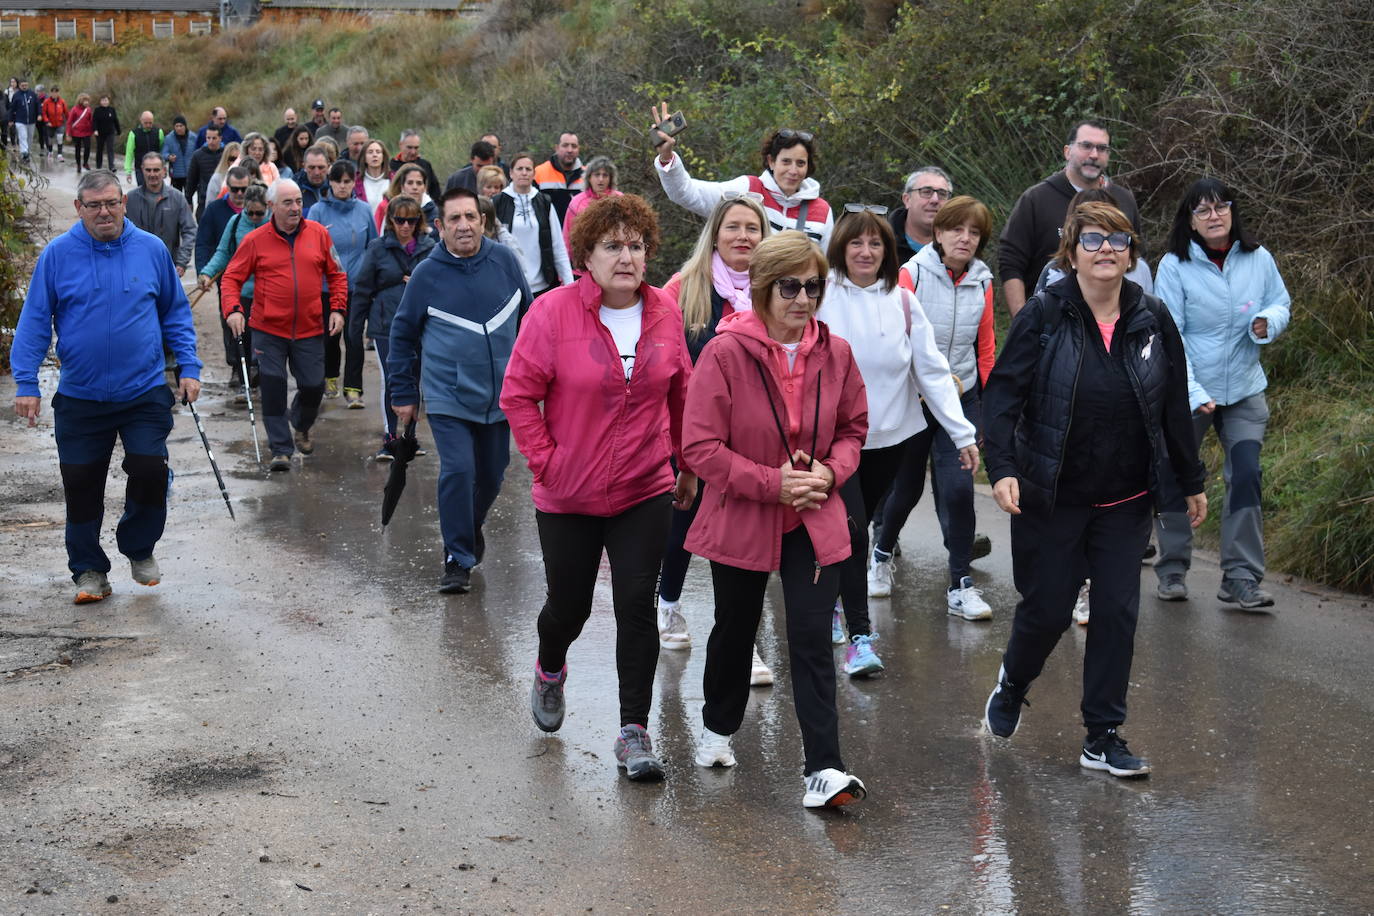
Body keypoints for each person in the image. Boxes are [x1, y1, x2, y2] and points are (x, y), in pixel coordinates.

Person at [981, 201, 1207, 778]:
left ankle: (1102, 735)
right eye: (1092, 240)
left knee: (1116, 612)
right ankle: (1012, 684)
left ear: (1132, 254)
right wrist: (1002, 466)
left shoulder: (1153, 318)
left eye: (1118, 240)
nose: (1106, 250)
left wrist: (1190, 479)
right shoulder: (1045, 315)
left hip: (1125, 497)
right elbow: (1003, 396)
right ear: (1072, 254)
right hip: (1053, 494)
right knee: (1048, 610)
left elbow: (1173, 406)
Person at [502, 194, 692, 782]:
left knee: (637, 607)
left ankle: (634, 731)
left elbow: (681, 393)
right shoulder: (553, 313)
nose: (627, 256)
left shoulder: (664, 313)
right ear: (586, 254)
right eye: (613, 245)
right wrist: (548, 463)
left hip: (643, 487)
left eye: (636, 245)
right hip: (568, 493)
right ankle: (550, 665)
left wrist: (685, 463)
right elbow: (518, 395)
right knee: (571, 606)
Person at [681, 231, 868, 807]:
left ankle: (825, 769)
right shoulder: (724, 352)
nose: (804, 298)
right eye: (790, 286)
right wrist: (772, 481)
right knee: (735, 630)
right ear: (763, 288)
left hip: (813, 514)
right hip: (743, 513)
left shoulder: (835, 352)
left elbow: (853, 429)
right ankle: (717, 726)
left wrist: (830, 474)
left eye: (814, 286)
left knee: (812, 637)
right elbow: (700, 447)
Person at [9, 169, 203, 604]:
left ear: (124, 203)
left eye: (112, 202)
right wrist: (26, 382)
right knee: (81, 484)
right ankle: (89, 570)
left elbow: (175, 313)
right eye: (94, 205)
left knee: (150, 469)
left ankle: (138, 546)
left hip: (144, 391)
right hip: (81, 395)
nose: (105, 212)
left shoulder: (151, 251)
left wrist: (188, 366)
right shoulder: (58, 256)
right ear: (79, 208)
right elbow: (36, 321)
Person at [818, 207, 978, 669]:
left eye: (875, 244)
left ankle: (831, 599)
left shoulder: (903, 302)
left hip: (890, 439)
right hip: (833, 444)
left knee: (854, 528)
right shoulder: (821, 296)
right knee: (848, 532)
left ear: (888, 252)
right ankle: (861, 638)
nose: (866, 252)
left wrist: (961, 433)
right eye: (856, 243)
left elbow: (931, 371)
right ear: (840, 248)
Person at [1152, 178, 1291, 609]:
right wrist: (1191, 391)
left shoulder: (1258, 257)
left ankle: (1241, 576)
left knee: (1246, 475)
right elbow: (1169, 334)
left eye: (1221, 207)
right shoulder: (1174, 266)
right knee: (1176, 474)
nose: (1214, 216)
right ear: (1190, 221)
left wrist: (1269, 320)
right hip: (1190, 391)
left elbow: (1280, 301)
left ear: (1232, 211)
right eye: (1203, 210)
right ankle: (1172, 568)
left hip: (1246, 389)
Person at [654, 193, 775, 684]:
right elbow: (660, 360)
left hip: (755, 436)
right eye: (733, 228)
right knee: (684, 523)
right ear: (715, 234)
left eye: (753, 228)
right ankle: (668, 604)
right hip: (694, 432)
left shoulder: (777, 288)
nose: (743, 236)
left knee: (744, 541)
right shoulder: (684, 289)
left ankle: (744, 643)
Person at [390, 188, 531, 591]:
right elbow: (401, 334)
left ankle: (469, 526)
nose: (464, 225)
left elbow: (530, 318)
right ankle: (456, 558)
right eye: (454, 219)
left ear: (482, 221)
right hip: (448, 395)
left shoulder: (504, 261)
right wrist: (403, 393)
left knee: (492, 475)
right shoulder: (427, 274)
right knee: (458, 469)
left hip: (500, 396)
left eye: (470, 217)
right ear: (440, 226)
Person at [870, 196, 996, 610]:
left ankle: (960, 583)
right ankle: (881, 554)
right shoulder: (911, 273)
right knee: (905, 490)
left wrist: (987, 401)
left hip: (962, 396)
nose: (965, 238)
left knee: (959, 489)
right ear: (938, 233)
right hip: (915, 396)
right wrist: (913, 385)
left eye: (974, 232)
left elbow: (986, 345)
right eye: (956, 229)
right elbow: (894, 335)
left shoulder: (983, 279)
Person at [220, 180, 348, 471]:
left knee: (313, 386)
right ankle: (280, 449)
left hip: (310, 328)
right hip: (268, 330)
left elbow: (337, 275)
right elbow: (231, 278)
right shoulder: (255, 240)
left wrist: (338, 308)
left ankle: (301, 424)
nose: (295, 208)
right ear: (271, 206)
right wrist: (234, 310)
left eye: (299, 202)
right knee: (273, 386)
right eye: (288, 202)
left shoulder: (318, 235)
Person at [999, 120, 1142, 316]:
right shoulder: (1036, 199)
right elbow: (1011, 262)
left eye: (1102, 148)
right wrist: (1023, 321)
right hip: (1050, 323)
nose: (1094, 154)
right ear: (1067, 151)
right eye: (1086, 146)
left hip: (1114, 326)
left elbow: (1135, 260)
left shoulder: (1123, 201)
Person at [653, 102, 835, 250]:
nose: (793, 170)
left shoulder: (822, 211)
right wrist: (666, 157)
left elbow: (829, 272)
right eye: (786, 162)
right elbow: (688, 194)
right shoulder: (747, 189)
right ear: (771, 161)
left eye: (800, 163)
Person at [353, 195, 436, 459]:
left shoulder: (430, 247)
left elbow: (441, 284)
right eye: (400, 220)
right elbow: (363, 287)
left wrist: (419, 282)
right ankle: (390, 438)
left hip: (421, 324)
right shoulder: (378, 248)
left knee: (415, 379)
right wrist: (355, 326)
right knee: (391, 379)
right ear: (391, 221)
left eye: (411, 220)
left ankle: (410, 437)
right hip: (385, 323)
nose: (405, 225)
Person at [311, 159, 378, 408]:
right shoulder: (318, 211)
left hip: (357, 287)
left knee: (353, 337)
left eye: (347, 181)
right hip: (326, 288)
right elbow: (311, 247)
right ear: (330, 182)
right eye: (338, 181)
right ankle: (330, 377)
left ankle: (354, 389)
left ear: (354, 182)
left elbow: (373, 245)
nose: (342, 186)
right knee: (329, 337)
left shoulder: (363, 209)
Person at [197, 183, 269, 402]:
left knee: (265, 341)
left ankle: (264, 380)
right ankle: (244, 379)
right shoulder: (236, 222)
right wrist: (207, 273)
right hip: (243, 292)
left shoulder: (274, 223)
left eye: (260, 212)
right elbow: (223, 252)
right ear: (244, 208)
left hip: (267, 294)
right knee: (242, 338)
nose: (255, 217)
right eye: (251, 212)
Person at [194, 166, 252, 391]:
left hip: (258, 283)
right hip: (227, 278)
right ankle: (237, 368)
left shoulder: (260, 211)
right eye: (235, 189)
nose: (239, 194)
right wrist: (204, 272)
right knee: (231, 323)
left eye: (243, 189)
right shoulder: (215, 210)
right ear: (227, 187)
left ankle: (255, 367)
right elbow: (204, 243)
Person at [495, 151, 573, 298]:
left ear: (533, 173)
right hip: (509, 283)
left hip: (543, 283)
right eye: (519, 169)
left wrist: (569, 284)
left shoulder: (544, 202)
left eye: (528, 169)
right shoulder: (498, 202)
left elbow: (558, 246)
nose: (524, 173)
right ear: (511, 173)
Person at [124, 153, 196, 277]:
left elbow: (190, 230)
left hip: (168, 266)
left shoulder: (177, 198)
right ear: (142, 170)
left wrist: (181, 261)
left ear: (164, 171)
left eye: (156, 170)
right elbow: (118, 232)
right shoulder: (130, 199)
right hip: (135, 267)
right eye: (148, 170)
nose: (152, 174)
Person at [889, 166, 953, 264]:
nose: (935, 200)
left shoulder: (959, 246)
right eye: (926, 192)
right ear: (907, 200)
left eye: (942, 194)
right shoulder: (882, 241)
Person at [561, 155, 622, 253]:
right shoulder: (576, 202)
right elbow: (567, 237)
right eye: (597, 175)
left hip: (615, 258)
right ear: (589, 178)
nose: (601, 179)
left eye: (605, 175)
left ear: (610, 179)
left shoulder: (620, 199)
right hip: (585, 260)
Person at [532, 131, 586, 223]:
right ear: (557, 148)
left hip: (579, 234)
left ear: (578, 149)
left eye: (574, 146)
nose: (570, 150)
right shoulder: (538, 173)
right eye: (565, 145)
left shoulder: (588, 175)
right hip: (549, 233)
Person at [373, 163, 437, 235]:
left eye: (419, 183)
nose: (415, 187)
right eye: (410, 183)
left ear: (425, 187)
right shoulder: (388, 207)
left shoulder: (434, 212)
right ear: (402, 186)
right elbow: (378, 235)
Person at [390, 129, 442, 201]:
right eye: (409, 147)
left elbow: (435, 194)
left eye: (416, 148)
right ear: (400, 145)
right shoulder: (391, 166)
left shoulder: (425, 165)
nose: (413, 152)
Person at [185, 124, 224, 218]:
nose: (211, 141)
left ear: (220, 138)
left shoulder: (226, 154)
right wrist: (189, 200)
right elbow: (191, 180)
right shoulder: (198, 155)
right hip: (204, 200)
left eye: (214, 138)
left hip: (224, 199)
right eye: (208, 138)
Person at [353, 138, 392, 221]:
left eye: (378, 152)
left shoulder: (394, 179)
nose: (375, 155)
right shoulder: (355, 182)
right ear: (364, 157)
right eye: (370, 152)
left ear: (383, 156)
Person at [123, 112, 163, 188]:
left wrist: (163, 168)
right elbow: (129, 153)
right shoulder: (133, 134)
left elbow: (162, 151)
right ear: (141, 121)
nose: (148, 125)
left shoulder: (159, 132)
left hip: (156, 169)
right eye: (146, 123)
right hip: (140, 168)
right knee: (142, 191)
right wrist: (128, 171)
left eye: (150, 123)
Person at [9, 78, 40, 164]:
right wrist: (11, 119)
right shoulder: (16, 95)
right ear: (19, 86)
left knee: (30, 138)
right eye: (22, 86)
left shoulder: (32, 94)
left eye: (26, 85)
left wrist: (39, 114)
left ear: (28, 85)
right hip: (20, 120)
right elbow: (12, 108)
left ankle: (27, 153)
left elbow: (37, 105)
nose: (24, 87)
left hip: (31, 120)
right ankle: (24, 153)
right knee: (23, 137)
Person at [159, 116, 193, 192]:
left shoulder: (193, 137)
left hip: (190, 173)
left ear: (185, 126)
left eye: (181, 126)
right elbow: (163, 154)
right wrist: (169, 157)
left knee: (189, 197)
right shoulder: (168, 138)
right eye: (176, 126)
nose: (179, 128)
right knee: (176, 197)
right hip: (176, 174)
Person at [297, 146, 332, 214]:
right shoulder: (294, 190)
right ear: (304, 167)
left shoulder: (339, 188)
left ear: (328, 166)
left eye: (321, 167)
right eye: (312, 168)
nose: (317, 173)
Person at [66, 93, 95, 174]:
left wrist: (93, 130)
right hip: (76, 133)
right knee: (77, 149)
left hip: (86, 132)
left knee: (87, 147)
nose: (86, 102)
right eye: (85, 100)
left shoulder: (88, 110)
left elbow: (91, 121)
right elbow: (69, 122)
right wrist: (68, 134)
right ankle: (78, 165)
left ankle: (85, 163)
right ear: (80, 101)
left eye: (87, 101)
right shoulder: (74, 109)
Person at [92, 94, 120, 170]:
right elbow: (94, 121)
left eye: (106, 100)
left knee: (110, 149)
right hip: (100, 133)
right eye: (103, 100)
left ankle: (111, 166)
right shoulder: (97, 110)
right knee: (100, 149)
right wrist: (95, 130)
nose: (105, 102)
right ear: (100, 101)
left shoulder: (112, 110)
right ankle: (98, 165)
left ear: (109, 101)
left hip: (110, 132)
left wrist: (118, 130)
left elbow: (115, 120)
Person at [41, 86, 69, 162]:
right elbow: (43, 113)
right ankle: (50, 152)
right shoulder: (46, 102)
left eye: (56, 92)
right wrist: (47, 121)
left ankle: (60, 155)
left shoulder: (62, 102)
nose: (54, 94)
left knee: (60, 138)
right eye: (53, 92)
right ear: (50, 93)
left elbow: (66, 112)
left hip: (60, 123)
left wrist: (68, 121)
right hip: (50, 124)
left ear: (58, 93)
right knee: (50, 139)